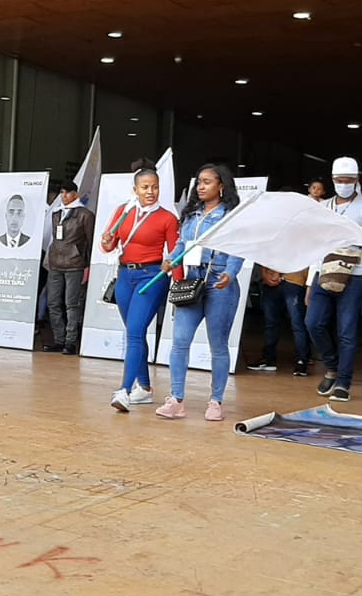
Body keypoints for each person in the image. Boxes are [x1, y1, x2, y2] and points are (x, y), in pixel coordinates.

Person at [158, 164, 243, 420]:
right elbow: (182, 245)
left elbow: (236, 248)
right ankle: (176, 399)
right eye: (199, 182)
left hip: (219, 283)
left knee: (218, 345)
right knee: (180, 341)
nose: (201, 186)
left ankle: (216, 401)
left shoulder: (231, 215)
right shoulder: (192, 214)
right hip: (192, 281)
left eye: (207, 182)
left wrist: (230, 273)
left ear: (222, 186)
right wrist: (171, 259)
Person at [101, 160, 180, 413]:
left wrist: (178, 282)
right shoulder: (123, 211)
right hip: (125, 276)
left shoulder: (167, 218)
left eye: (154, 187)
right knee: (135, 333)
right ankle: (144, 388)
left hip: (152, 277)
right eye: (145, 187)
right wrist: (106, 240)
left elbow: (176, 253)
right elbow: (109, 246)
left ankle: (124, 391)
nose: (150, 192)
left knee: (134, 332)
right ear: (135, 189)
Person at [306, 158, 362, 402]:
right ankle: (332, 366)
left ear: (356, 181)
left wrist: (356, 237)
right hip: (324, 270)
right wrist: (311, 282)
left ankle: (343, 382)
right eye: (339, 181)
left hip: (355, 275)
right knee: (313, 322)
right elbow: (314, 244)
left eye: (348, 181)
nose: (343, 184)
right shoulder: (324, 207)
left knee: (347, 330)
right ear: (333, 180)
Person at [43, 181, 94, 354]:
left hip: (75, 263)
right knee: (53, 302)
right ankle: (59, 339)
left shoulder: (85, 215)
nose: (64, 196)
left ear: (75, 194)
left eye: (67, 193)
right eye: (62, 192)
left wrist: (86, 263)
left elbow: (90, 240)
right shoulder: (56, 213)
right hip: (56, 262)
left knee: (71, 304)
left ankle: (70, 342)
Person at [249, 261, 310, 377]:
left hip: (294, 279)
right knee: (271, 323)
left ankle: (302, 360)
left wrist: (275, 273)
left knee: (297, 323)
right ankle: (269, 359)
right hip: (274, 278)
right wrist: (264, 274)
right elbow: (265, 252)